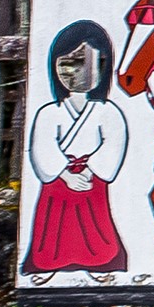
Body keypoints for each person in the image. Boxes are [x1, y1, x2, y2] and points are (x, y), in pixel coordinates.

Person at [23, 19, 128, 274]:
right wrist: (65, 175)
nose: (74, 72)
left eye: (84, 63)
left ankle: (101, 264)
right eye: (66, 63)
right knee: (54, 226)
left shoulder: (108, 111)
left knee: (96, 226)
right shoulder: (49, 113)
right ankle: (46, 265)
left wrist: (90, 171)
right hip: (61, 179)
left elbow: (114, 142)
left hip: (92, 177)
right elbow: (43, 147)